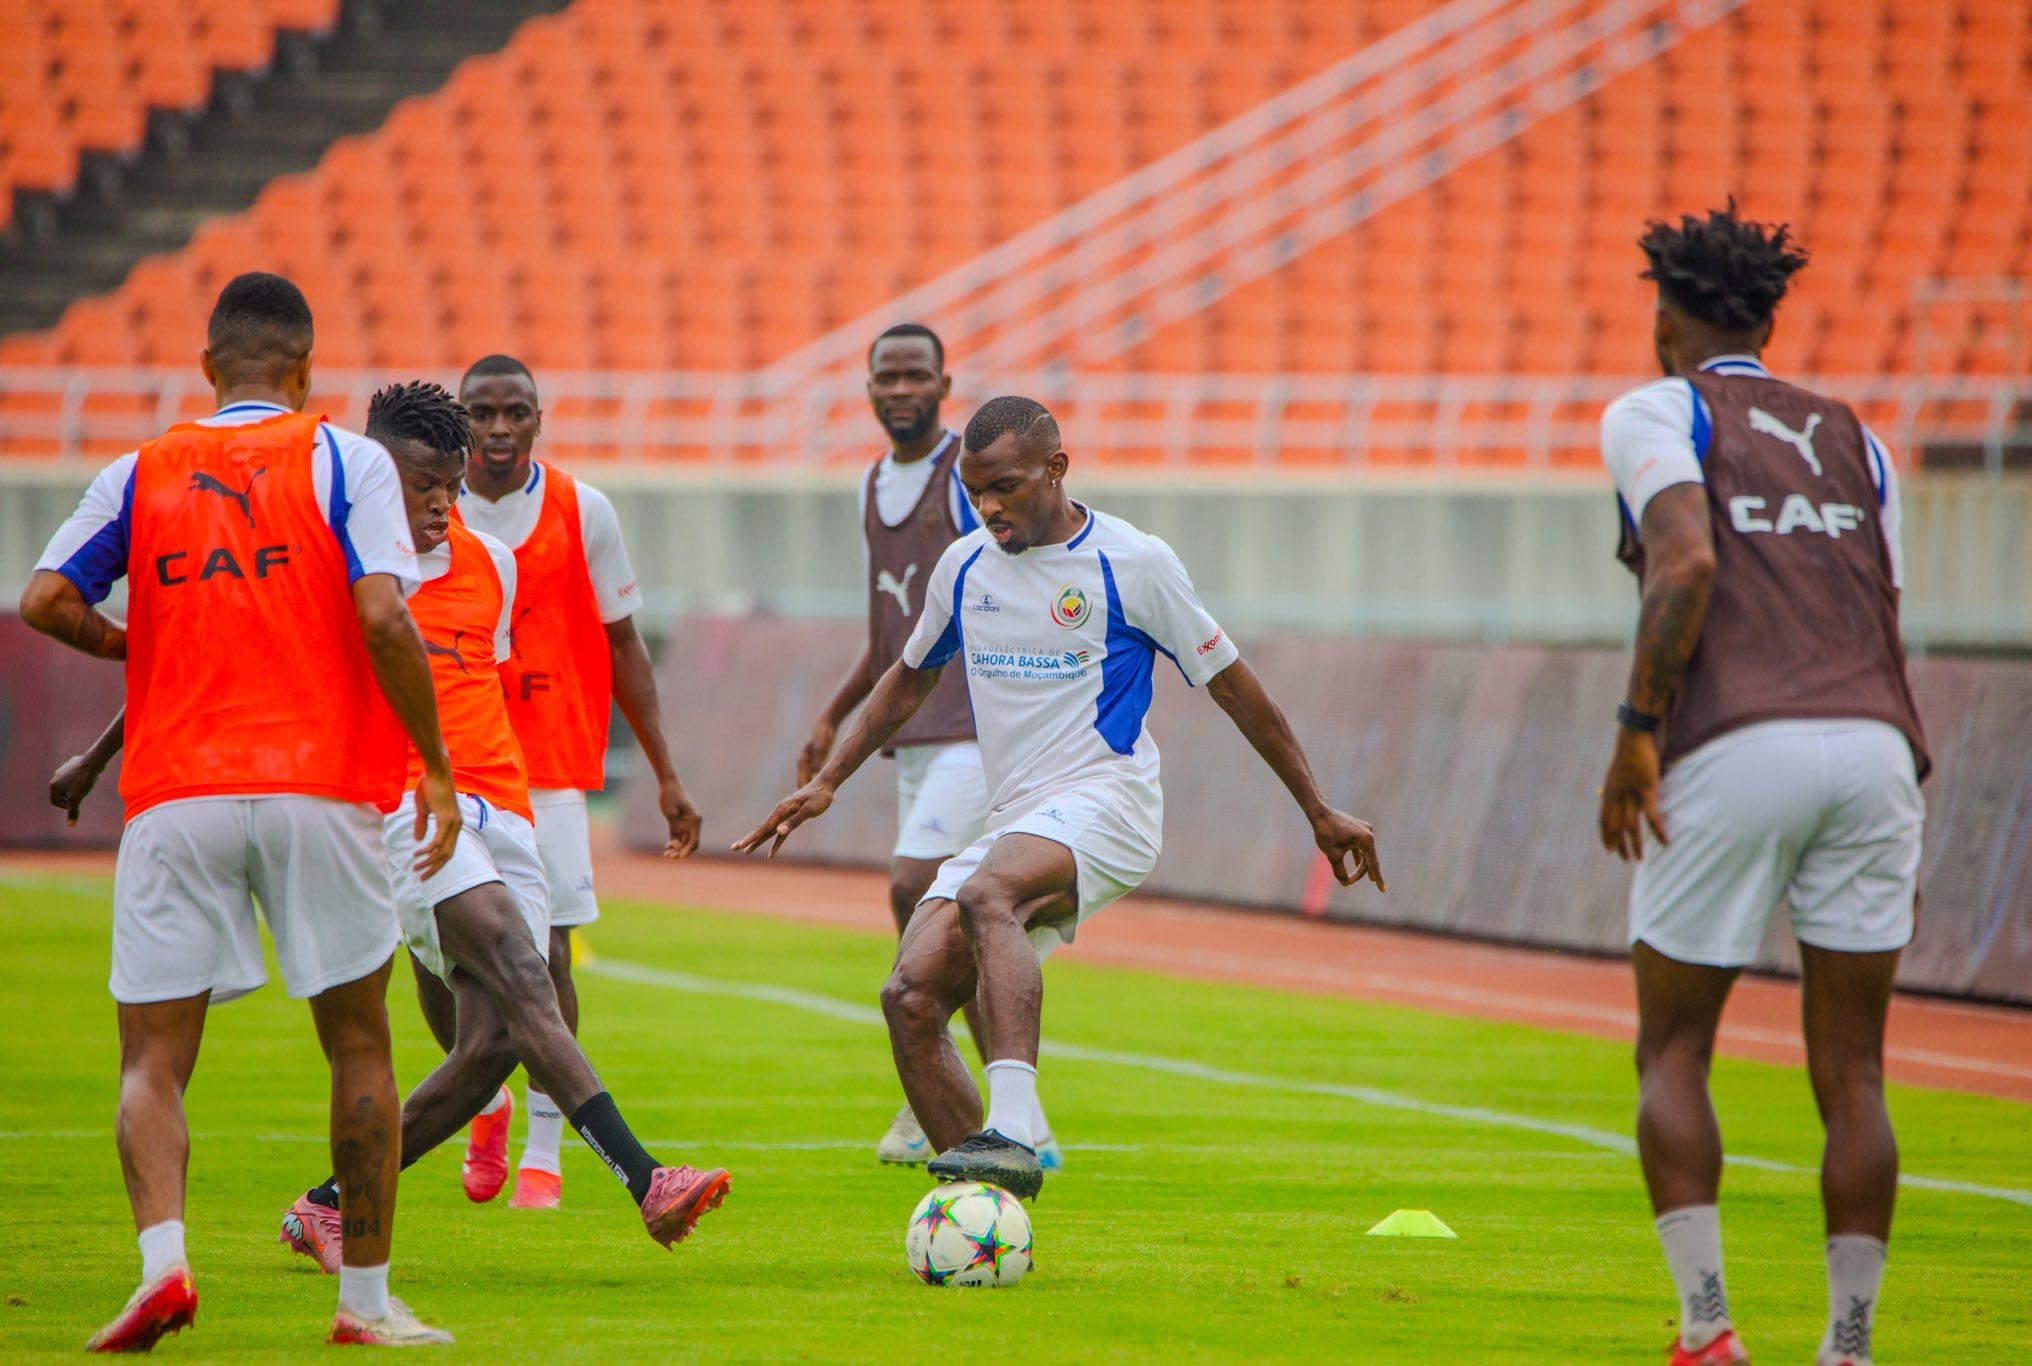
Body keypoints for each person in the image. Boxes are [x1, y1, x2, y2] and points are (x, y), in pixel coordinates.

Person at [735, 396, 1384, 1200]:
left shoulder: (1133, 562)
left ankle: (1015, 1132)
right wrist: (827, 780)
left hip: (1110, 801)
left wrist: (1317, 808)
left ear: (1056, 468)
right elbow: (907, 677)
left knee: (987, 895)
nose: (989, 507)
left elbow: (1233, 687)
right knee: (908, 996)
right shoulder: (964, 567)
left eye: (1004, 487)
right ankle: (986, 1212)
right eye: (975, 492)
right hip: (1019, 817)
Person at [19, 273, 461, 1349]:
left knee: (151, 1058)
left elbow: (44, 599)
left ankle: (163, 1267)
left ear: (208, 367)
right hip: (321, 785)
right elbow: (383, 615)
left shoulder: (140, 471)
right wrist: (438, 770)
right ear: (305, 369)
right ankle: (364, 1305)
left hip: (177, 792)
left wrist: (136, 646)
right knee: (357, 1044)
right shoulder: (346, 461)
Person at [271, 381, 730, 1262]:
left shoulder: (491, 563)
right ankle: (648, 1180)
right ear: (374, 474)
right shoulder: (335, 570)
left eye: (449, 486)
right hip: (410, 808)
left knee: (488, 1048)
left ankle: (325, 1205)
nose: (439, 505)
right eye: (420, 486)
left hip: (508, 810)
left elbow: (480, 688)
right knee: (528, 970)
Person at [1595, 203, 1929, 1366]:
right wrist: (1903, 789)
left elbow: (1684, 558)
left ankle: (1706, 1328)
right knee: (1853, 1071)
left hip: (1737, 738)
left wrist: (1635, 731)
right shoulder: (1857, 438)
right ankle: (1847, 1344)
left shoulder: (1658, 409)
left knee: (1672, 1047)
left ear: (1663, 318)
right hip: (1876, 746)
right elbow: (1883, 617)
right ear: (1767, 321)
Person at [796, 324, 1060, 1170]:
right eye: (888, 376)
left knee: (917, 884)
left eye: (917, 375)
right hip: (913, 736)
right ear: (869, 388)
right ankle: (1000, 1108)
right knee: (945, 916)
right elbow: (898, 633)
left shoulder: (968, 477)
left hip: (975, 730)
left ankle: (961, 1099)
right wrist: (835, 715)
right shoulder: (874, 483)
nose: (902, 389)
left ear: (944, 384)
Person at [445, 354, 703, 1211]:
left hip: (549, 765)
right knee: (437, 960)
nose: (499, 429)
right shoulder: (428, 507)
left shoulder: (582, 509)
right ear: (461, 418)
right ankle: (481, 1097)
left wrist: (665, 772)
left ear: (538, 418)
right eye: (482, 412)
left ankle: (544, 1152)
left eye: (515, 412)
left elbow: (625, 645)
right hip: (448, 763)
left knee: (549, 953)